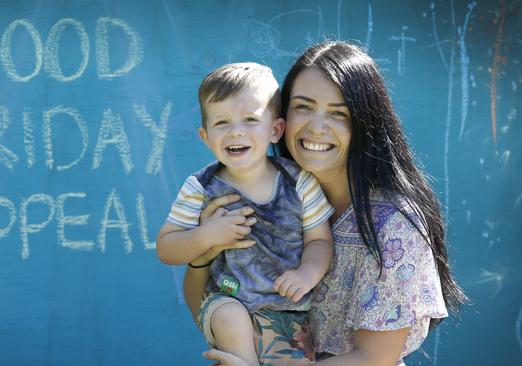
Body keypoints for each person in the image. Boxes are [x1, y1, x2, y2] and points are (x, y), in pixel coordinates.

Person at [184, 41, 466, 366]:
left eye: (338, 113)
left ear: (365, 123)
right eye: (303, 107)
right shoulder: (266, 196)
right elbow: (208, 304)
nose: (316, 127)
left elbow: (375, 358)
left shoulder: (392, 223)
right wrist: (202, 256)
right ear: (280, 119)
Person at [157, 62, 335, 366]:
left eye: (250, 120)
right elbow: (167, 247)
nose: (235, 131)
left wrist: (307, 273)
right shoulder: (200, 187)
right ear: (205, 136)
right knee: (230, 317)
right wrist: (205, 236)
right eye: (222, 123)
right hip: (227, 298)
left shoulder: (298, 181)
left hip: (288, 309)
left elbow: (320, 241)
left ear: (276, 130)